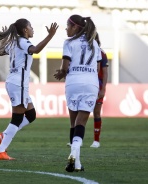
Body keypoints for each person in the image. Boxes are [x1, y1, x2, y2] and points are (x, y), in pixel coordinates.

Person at [0, 18, 59, 160]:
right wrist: (50, 36)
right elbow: (35, 50)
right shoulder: (24, 42)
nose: (32, 29)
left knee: (31, 115)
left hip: (17, 83)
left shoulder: (14, 42)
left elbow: (1, 52)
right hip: (18, 83)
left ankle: (3, 135)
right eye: (30, 26)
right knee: (17, 118)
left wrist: (5, 38)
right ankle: (1, 151)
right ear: (25, 30)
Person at [54, 14, 101, 172]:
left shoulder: (68, 43)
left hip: (73, 82)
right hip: (91, 83)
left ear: (75, 27)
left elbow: (65, 66)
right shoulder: (94, 43)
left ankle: (74, 156)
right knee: (81, 124)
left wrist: (61, 73)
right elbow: (99, 68)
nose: (66, 29)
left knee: (73, 123)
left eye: (68, 26)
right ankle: (77, 161)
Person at [90, 33, 109, 148]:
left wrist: (103, 89)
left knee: (96, 113)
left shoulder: (102, 53)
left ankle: (96, 140)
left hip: (97, 86)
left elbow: (105, 73)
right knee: (80, 113)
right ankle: (76, 140)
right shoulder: (84, 51)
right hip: (86, 85)